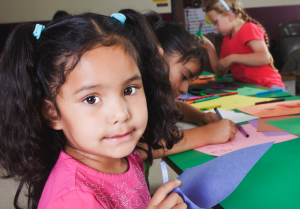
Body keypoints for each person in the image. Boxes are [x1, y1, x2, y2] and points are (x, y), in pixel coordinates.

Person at [0, 10, 187, 209]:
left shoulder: (125, 156)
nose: (121, 114)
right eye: (91, 99)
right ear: (52, 113)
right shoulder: (73, 199)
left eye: (129, 90)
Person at [140, 19, 237, 189]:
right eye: (184, 77)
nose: (185, 89)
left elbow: (176, 105)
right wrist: (207, 134)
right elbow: (139, 149)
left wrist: (200, 116)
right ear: (157, 56)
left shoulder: (153, 96)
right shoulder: (134, 96)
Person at [196, 0, 285, 89]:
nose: (214, 27)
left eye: (215, 22)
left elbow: (264, 58)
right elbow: (219, 71)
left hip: (268, 85)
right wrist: (209, 47)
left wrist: (232, 58)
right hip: (248, 88)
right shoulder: (227, 40)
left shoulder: (249, 28)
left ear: (229, 16)